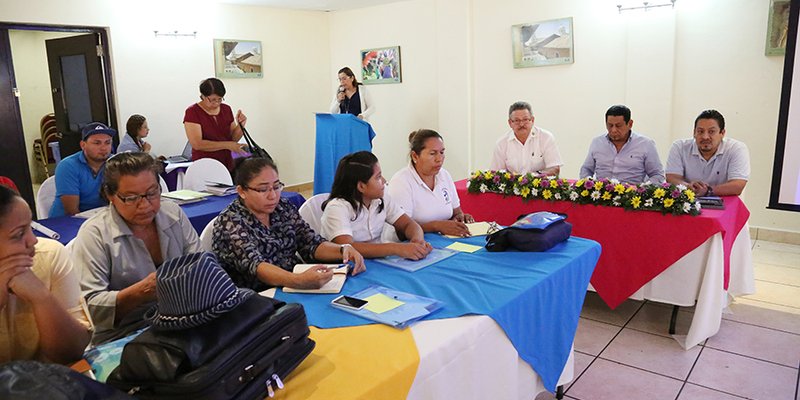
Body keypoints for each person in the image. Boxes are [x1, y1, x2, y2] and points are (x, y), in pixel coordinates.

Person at [73, 152, 201, 344]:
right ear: (111, 196)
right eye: (131, 198)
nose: (145, 205)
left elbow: (200, 264)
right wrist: (141, 292)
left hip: (180, 319)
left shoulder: (171, 213)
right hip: (125, 333)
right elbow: (90, 309)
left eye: (152, 193)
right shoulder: (95, 233)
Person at [212, 157, 365, 291]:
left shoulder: (282, 208)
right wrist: (298, 280)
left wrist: (343, 250)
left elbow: (310, 243)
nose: (272, 195)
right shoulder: (230, 222)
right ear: (241, 191)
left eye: (277, 187)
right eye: (263, 189)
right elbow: (256, 267)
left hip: (292, 285)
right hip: (257, 297)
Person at [0, 185, 92, 363]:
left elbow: (73, 352)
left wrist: (41, 298)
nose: (33, 240)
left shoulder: (48, 255)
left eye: (30, 227)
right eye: (19, 234)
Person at [320, 151, 432, 260]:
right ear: (361, 186)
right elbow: (347, 247)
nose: (384, 181)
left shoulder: (381, 198)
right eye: (378, 177)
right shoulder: (337, 208)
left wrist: (418, 242)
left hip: (376, 263)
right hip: (347, 267)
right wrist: (396, 248)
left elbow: (408, 224)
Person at [388, 129, 474, 237]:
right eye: (432, 154)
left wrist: (460, 218)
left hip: (444, 241)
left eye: (442, 152)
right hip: (410, 245)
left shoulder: (444, 175)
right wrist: (436, 226)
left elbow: (456, 212)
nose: (439, 159)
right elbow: (401, 230)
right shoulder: (401, 182)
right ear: (415, 156)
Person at [666, 109, 750, 196]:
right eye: (700, 131)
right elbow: (672, 178)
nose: (705, 137)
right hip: (689, 202)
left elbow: (737, 185)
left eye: (711, 132)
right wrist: (688, 187)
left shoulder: (736, 149)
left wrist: (707, 191)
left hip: (725, 202)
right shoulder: (680, 147)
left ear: (722, 133)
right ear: (694, 132)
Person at [580, 105, 665, 184]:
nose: (613, 130)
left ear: (630, 124)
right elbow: (586, 169)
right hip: (602, 195)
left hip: (631, 196)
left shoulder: (646, 144)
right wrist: (588, 183)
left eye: (618, 126)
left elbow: (657, 175)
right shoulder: (597, 142)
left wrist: (642, 189)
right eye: (610, 125)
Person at [50, 122, 114, 217]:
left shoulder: (115, 163)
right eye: (97, 143)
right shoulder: (68, 166)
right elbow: (72, 211)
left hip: (99, 218)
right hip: (65, 222)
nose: (103, 148)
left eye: (107, 143)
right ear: (83, 145)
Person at [184, 78, 248, 172]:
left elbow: (233, 139)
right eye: (213, 100)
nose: (216, 103)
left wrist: (241, 125)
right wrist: (228, 145)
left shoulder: (226, 109)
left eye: (220, 99)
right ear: (203, 96)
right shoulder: (193, 112)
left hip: (227, 162)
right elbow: (197, 144)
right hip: (205, 164)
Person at [490, 101, 563, 176]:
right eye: (517, 120)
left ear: (532, 120)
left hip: (540, 185)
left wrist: (532, 178)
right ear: (510, 123)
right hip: (513, 186)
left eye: (525, 120)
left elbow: (554, 169)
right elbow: (496, 174)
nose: (521, 124)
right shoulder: (501, 143)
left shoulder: (546, 138)